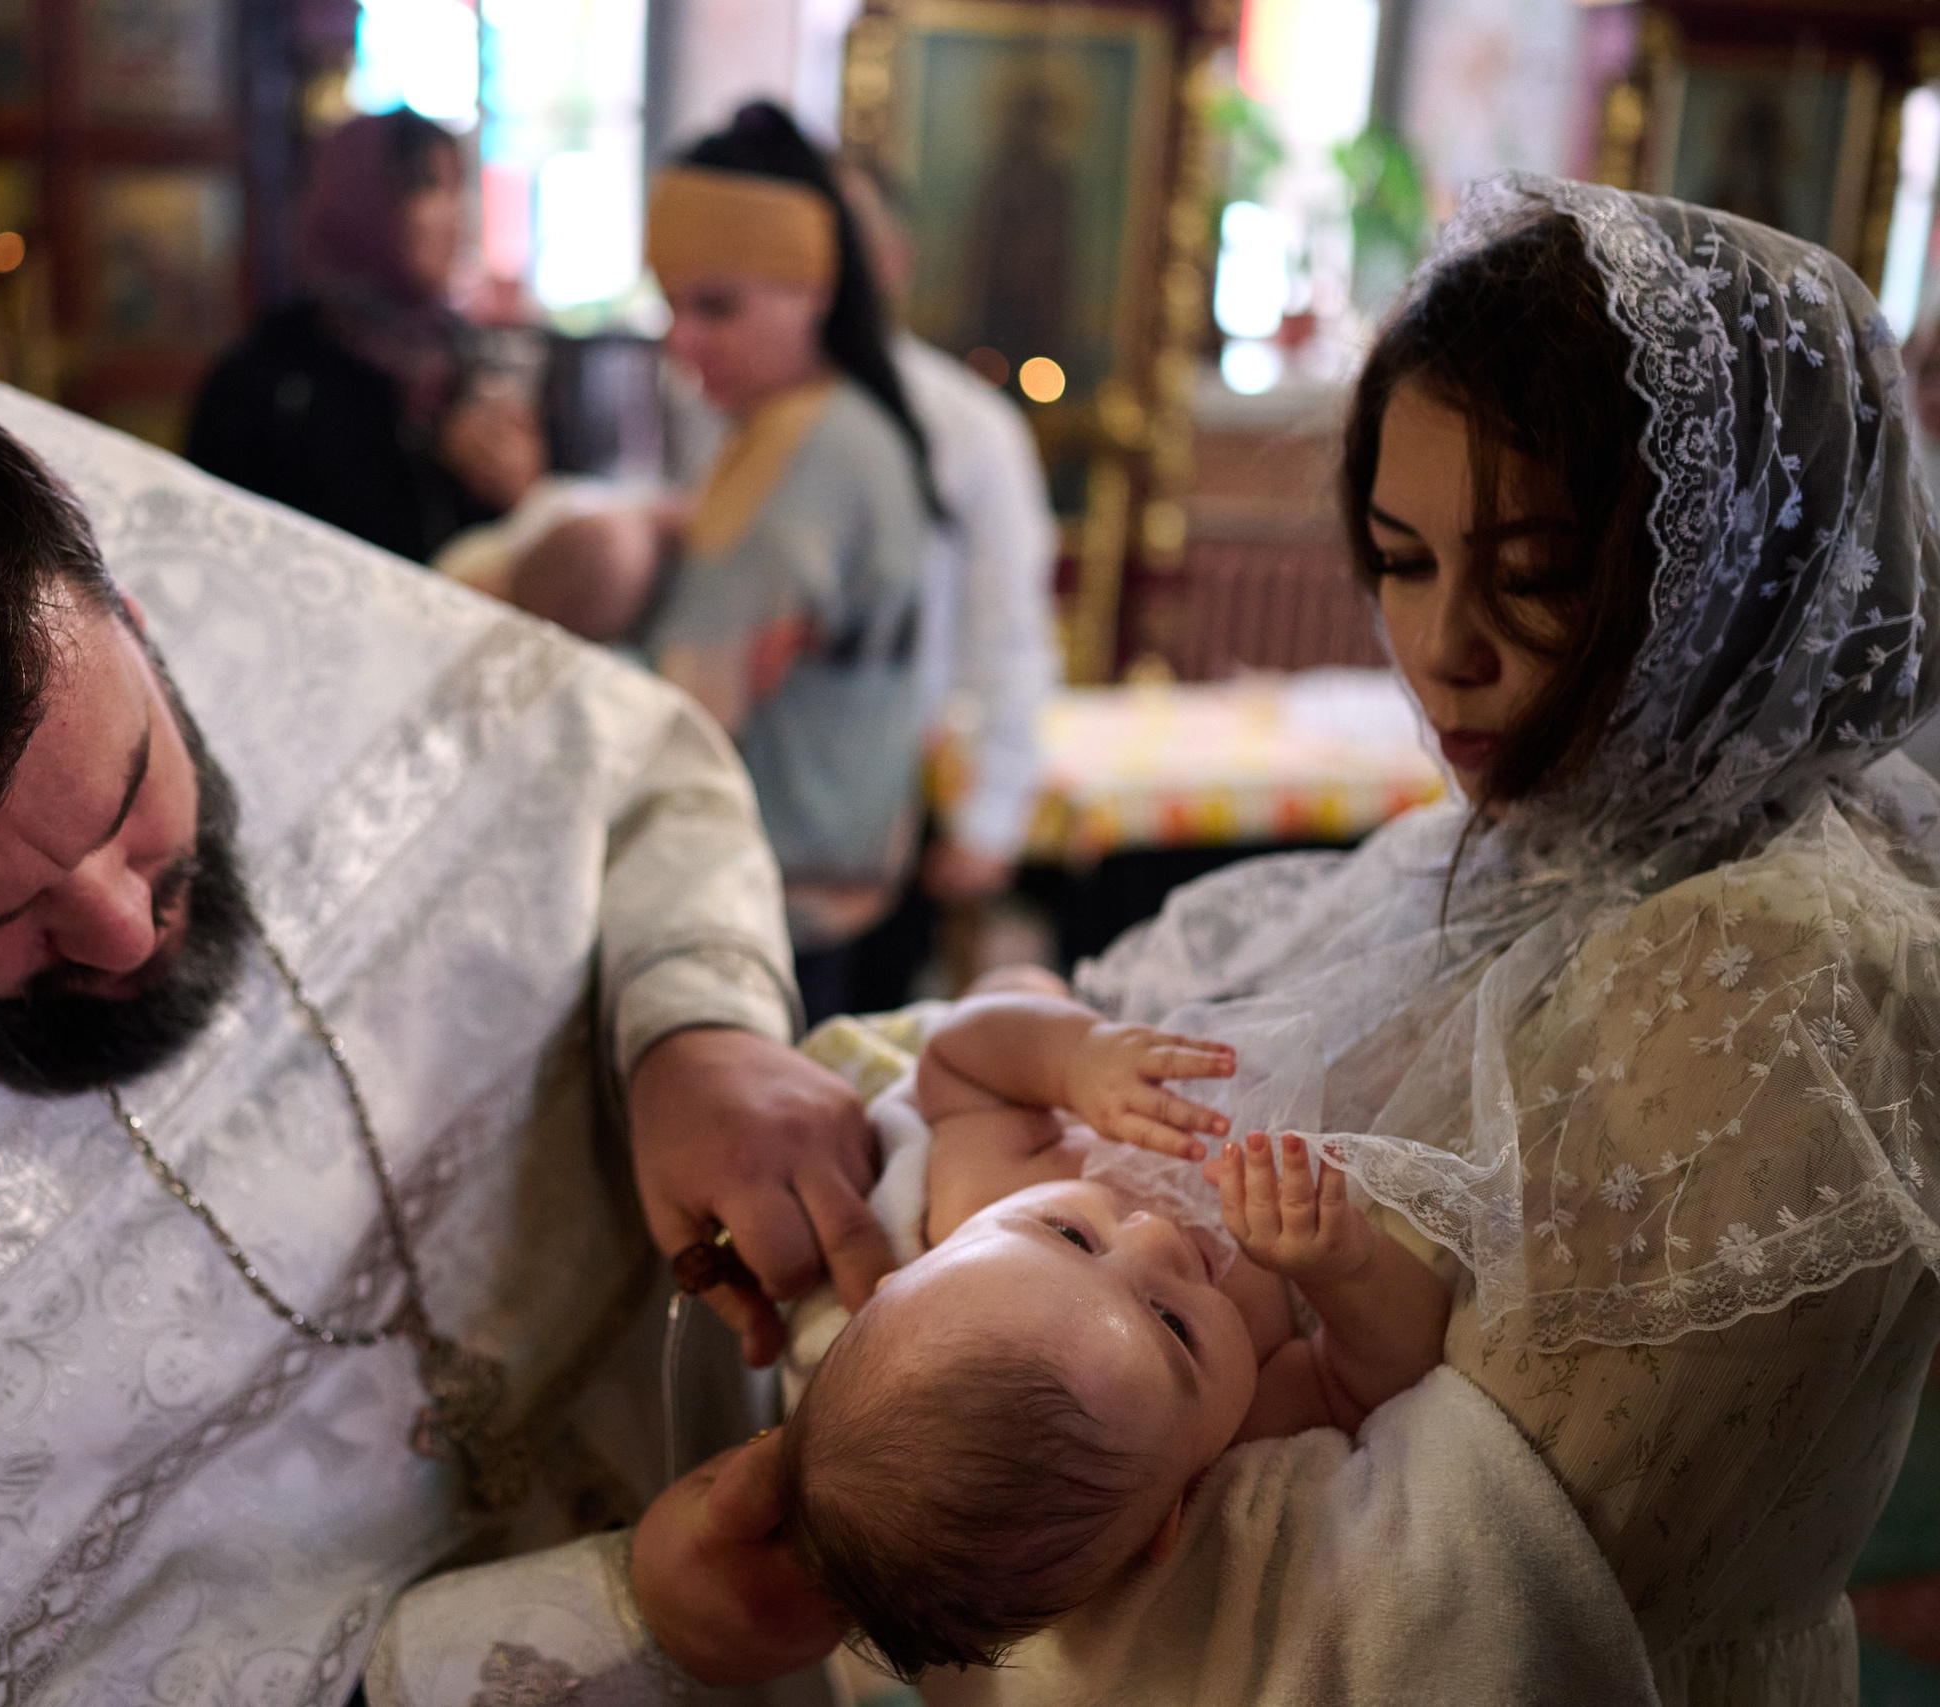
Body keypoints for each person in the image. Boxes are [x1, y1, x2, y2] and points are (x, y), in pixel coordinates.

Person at [378, 176, 1940, 1707]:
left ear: (1740, 574)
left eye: (1533, 577)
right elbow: (984, 1104)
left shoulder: (1782, 977)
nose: (1441, 651)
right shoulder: (1519, 837)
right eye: (1399, 559)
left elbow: (1417, 1566)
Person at [0, 302, 880, 1704]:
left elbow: (635, 774)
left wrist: (693, 1035)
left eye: (127, 797)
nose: (124, 929)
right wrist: (610, 1617)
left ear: (133, 625)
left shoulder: (308, 674)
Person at [778, 989, 1450, 1677]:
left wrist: (1073, 1059)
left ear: (910, 1270)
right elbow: (1387, 1369)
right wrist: (1344, 1267)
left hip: (1198, 1026)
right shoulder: (1243, 1408)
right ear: (1172, 1509)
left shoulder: (974, 1187)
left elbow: (956, 1063)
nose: (1157, 1236)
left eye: (1071, 1235)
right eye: (1173, 1325)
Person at [639, 103, 940, 1026]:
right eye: (672, 305)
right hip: (812, 902)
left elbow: (692, 704)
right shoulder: (817, 423)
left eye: (717, 307)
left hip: (776, 916)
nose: (683, 340)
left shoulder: (816, 450)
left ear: (811, 286)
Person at [835, 160, 1061, 1005]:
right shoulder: (732, 407)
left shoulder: (968, 426)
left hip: (894, 781)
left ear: (895, 259)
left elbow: (1010, 629)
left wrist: (989, 813)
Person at [185, 108, 542, 563]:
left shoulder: (470, 360)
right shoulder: (267, 378)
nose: (456, 217)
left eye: (457, 190)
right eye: (427, 187)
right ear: (358, 201)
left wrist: (523, 490)